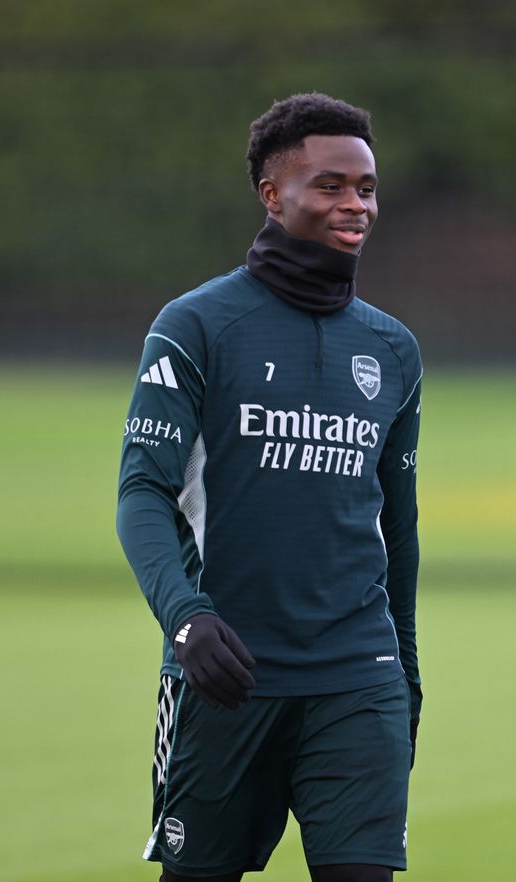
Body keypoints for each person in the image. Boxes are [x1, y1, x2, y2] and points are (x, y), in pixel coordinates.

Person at [117, 92, 422, 882]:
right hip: (223, 674)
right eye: (330, 185)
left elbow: (399, 526)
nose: (355, 204)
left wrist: (408, 673)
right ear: (272, 194)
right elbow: (143, 494)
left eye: (365, 187)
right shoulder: (195, 327)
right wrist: (186, 620)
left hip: (359, 679)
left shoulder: (392, 350)